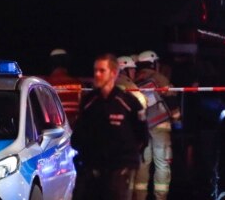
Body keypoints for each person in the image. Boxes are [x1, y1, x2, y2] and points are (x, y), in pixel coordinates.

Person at [71, 54, 148, 200]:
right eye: (95, 71)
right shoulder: (89, 102)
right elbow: (78, 136)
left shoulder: (128, 103)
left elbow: (142, 135)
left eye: (102, 71)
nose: (97, 75)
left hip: (119, 168)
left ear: (114, 73)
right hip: (92, 168)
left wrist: (127, 162)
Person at [135, 50, 175, 200]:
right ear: (154, 63)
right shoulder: (159, 78)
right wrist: (177, 119)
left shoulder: (135, 79)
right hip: (160, 126)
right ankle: (160, 196)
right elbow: (172, 100)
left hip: (143, 127)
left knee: (143, 163)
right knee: (162, 162)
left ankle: (140, 197)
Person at [117, 55, 150, 200]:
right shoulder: (127, 83)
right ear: (124, 69)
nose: (134, 73)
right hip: (127, 135)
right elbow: (142, 103)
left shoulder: (105, 84)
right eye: (132, 69)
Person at [44, 48, 82, 124]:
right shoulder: (77, 84)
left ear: (51, 64)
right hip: (74, 130)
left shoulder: (45, 84)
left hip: (52, 130)